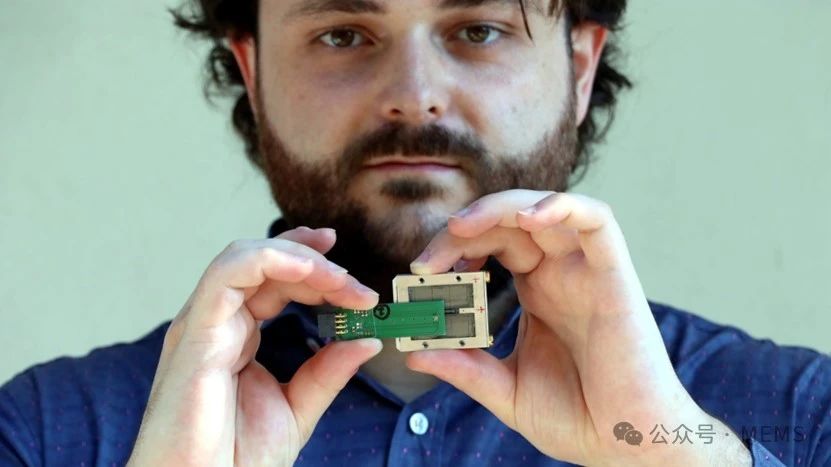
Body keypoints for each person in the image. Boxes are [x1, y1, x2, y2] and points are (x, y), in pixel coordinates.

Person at [1, 0, 829, 465]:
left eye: (478, 29)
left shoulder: (805, 413)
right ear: (252, 72)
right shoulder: (41, 432)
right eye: (342, 34)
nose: (413, 93)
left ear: (579, 67)